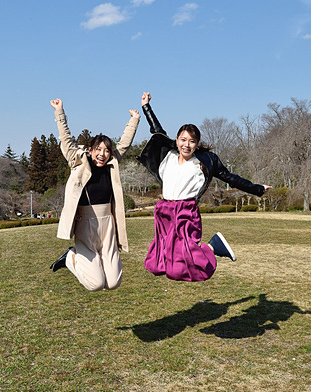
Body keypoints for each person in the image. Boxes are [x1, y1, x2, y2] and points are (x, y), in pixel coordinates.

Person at [136, 92, 271, 282]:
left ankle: (213, 247)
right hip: (164, 210)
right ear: (177, 140)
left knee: (178, 269)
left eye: (191, 141)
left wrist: (257, 189)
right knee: (155, 265)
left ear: (197, 144)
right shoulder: (169, 156)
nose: (186, 145)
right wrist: (146, 107)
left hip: (185, 211)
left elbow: (230, 177)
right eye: (183, 140)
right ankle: (213, 246)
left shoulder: (205, 162)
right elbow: (156, 130)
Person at [48, 97, 141, 291]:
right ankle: (70, 258)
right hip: (85, 224)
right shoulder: (78, 161)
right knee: (96, 284)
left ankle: (87, 261)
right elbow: (66, 138)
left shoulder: (112, 164)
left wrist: (134, 120)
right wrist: (59, 112)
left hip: (108, 225)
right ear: (90, 150)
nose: (102, 153)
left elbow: (124, 144)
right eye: (98, 149)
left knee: (114, 282)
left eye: (106, 150)